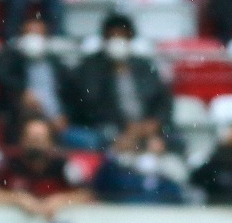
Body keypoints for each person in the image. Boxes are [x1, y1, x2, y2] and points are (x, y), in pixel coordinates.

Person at [69, 14, 174, 148]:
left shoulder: (143, 66)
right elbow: (91, 103)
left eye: (122, 36)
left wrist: (154, 123)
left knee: (171, 141)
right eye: (113, 36)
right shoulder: (90, 67)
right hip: (108, 129)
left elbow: (163, 99)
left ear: (130, 39)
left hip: (146, 127)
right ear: (105, 39)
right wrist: (112, 71)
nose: (117, 41)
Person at [0, 117, 94, 221]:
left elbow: (87, 193)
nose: (36, 145)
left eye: (40, 140)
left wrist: (62, 200)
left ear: (50, 143)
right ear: (23, 140)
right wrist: (16, 199)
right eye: (31, 139)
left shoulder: (64, 167)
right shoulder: (8, 165)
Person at [0, 16, 82, 146]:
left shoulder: (55, 63)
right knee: (36, 136)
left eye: (38, 34)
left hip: (59, 124)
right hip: (24, 124)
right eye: (29, 34)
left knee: (90, 141)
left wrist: (65, 116)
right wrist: (22, 91)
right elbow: (1, 75)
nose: (34, 39)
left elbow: (72, 95)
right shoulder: (12, 60)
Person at [93, 131, 186, 205]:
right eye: (152, 143)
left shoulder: (171, 161)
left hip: (160, 198)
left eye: (158, 143)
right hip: (132, 198)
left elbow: (179, 181)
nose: (155, 146)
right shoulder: (129, 159)